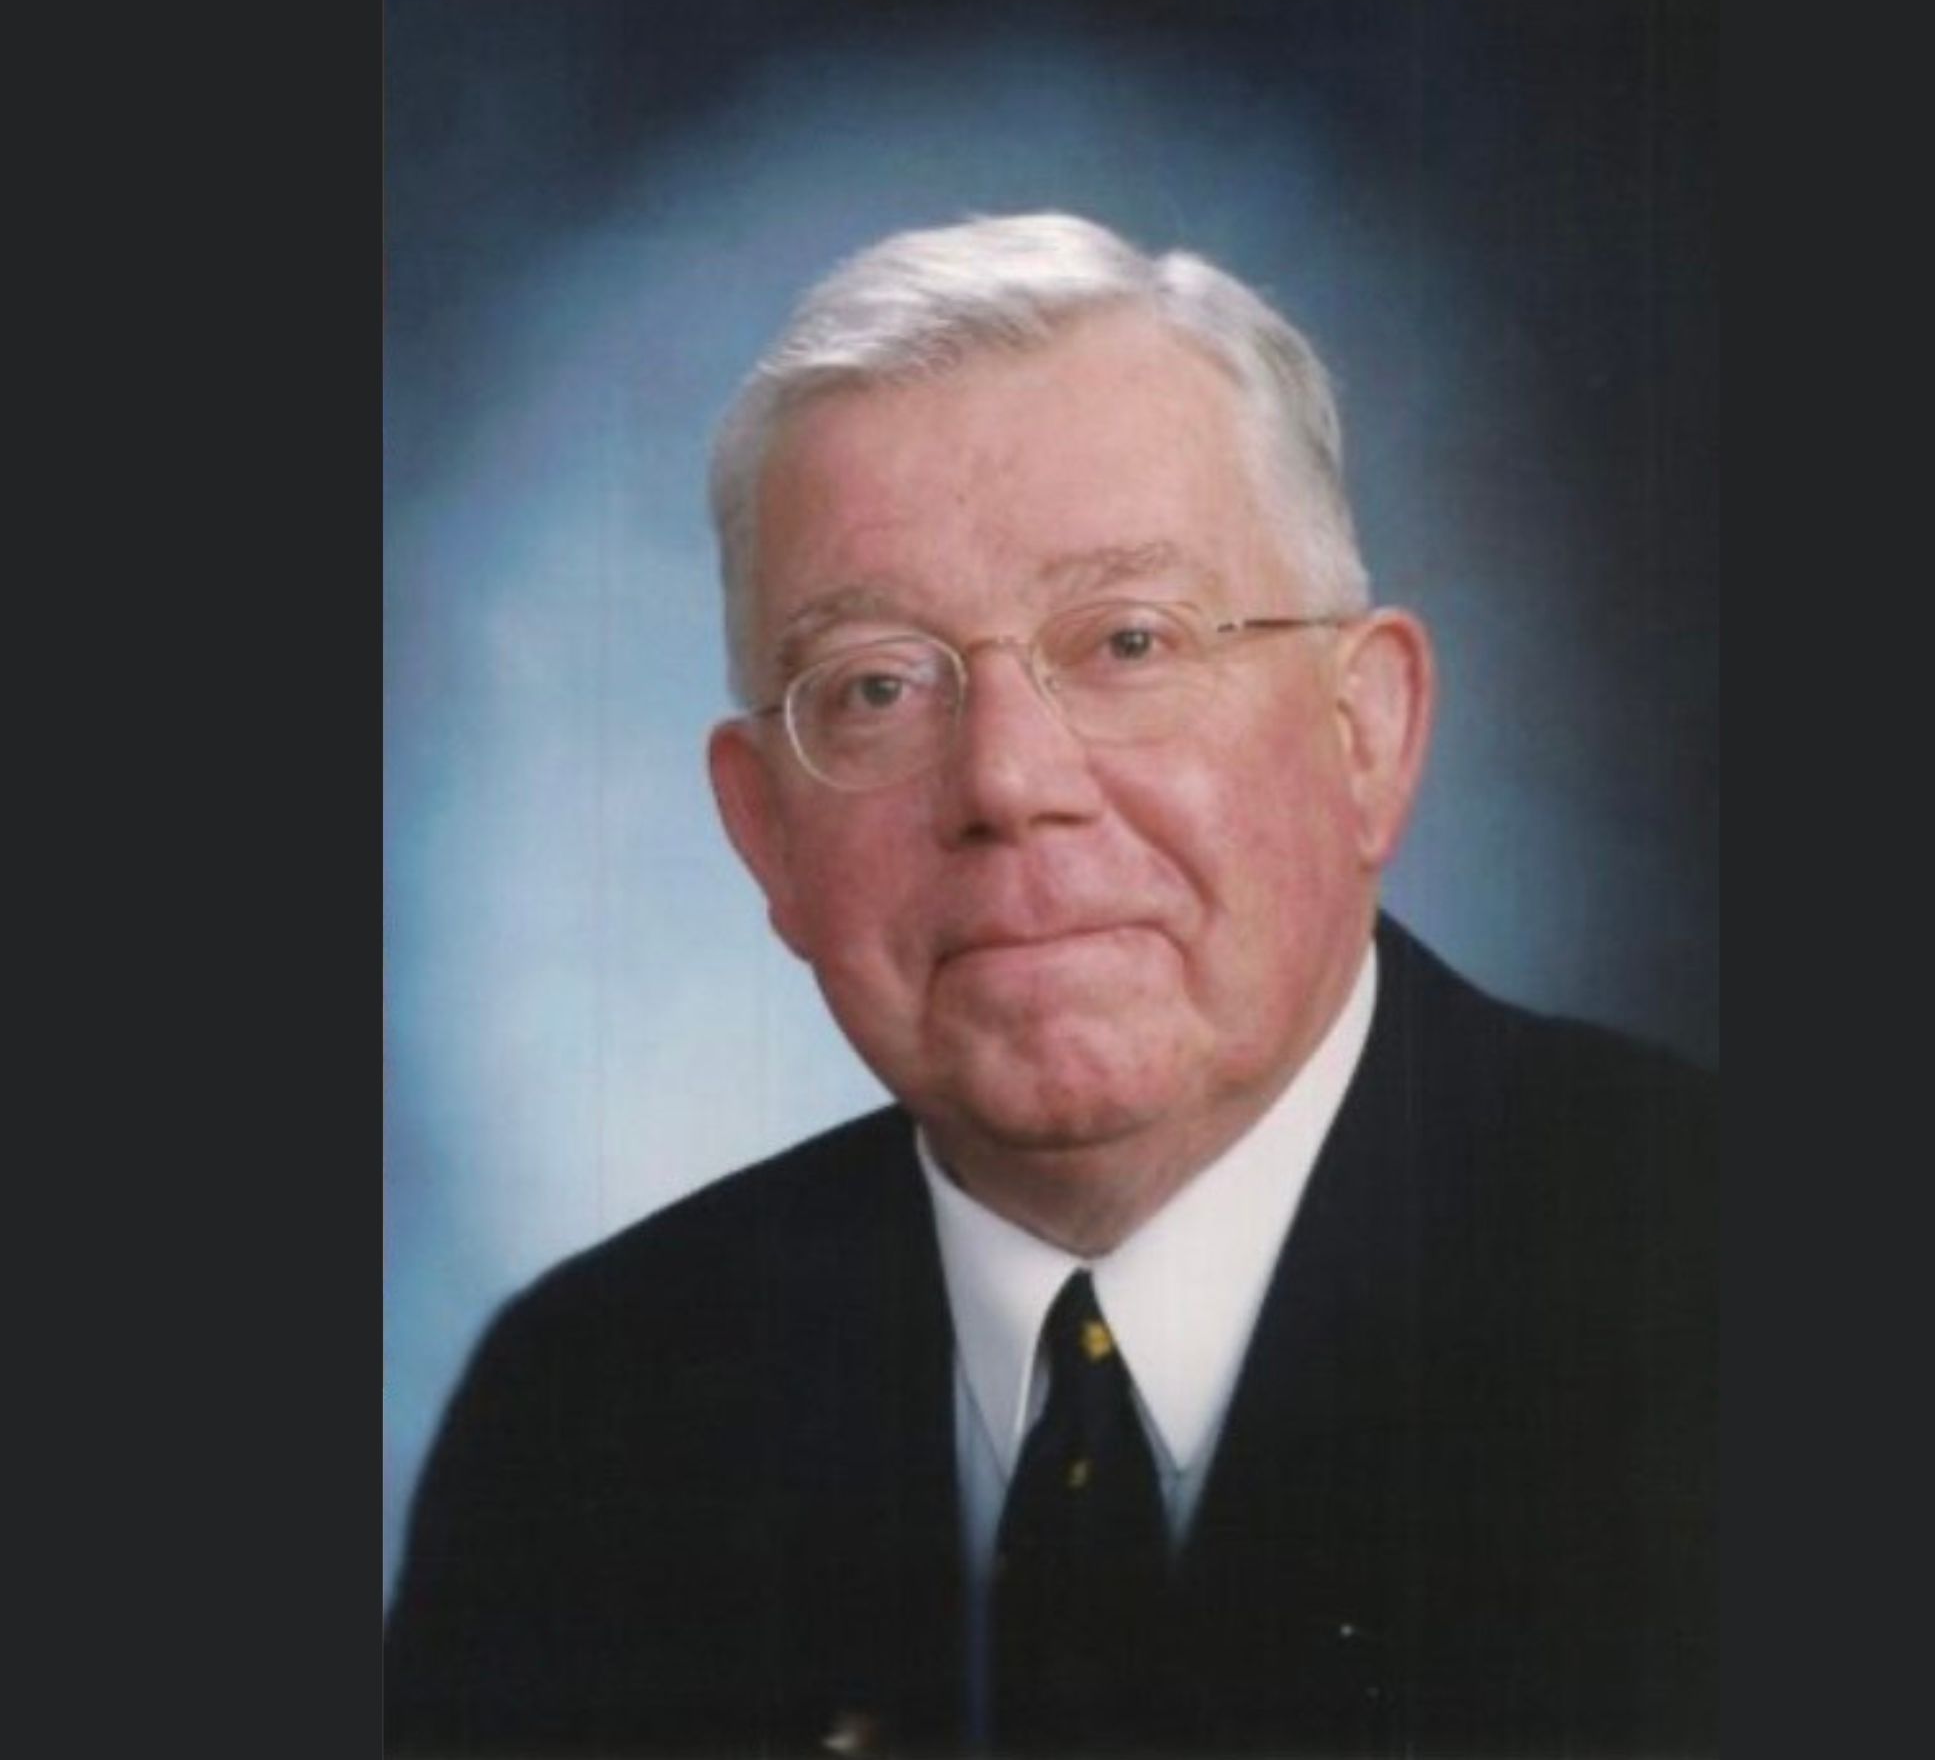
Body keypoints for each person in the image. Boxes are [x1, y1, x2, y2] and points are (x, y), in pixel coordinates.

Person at [384, 212, 1716, 1757]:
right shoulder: (585, 1428)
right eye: (877, 685)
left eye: (1129, 641)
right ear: (762, 832)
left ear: (1367, 732)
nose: (1009, 780)